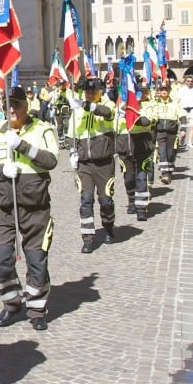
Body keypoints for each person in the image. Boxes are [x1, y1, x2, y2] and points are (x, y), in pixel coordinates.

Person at [0, 85, 58, 331]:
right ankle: (11, 303)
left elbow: (51, 160)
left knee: (36, 261)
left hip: (34, 207)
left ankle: (37, 308)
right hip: (2, 208)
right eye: (6, 105)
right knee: (0, 261)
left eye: (17, 104)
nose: (11, 109)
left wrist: (22, 145)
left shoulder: (42, 129)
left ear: (26, 106)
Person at [69, 77, 117, 252]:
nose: (89, 95)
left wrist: (86, 105)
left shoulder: (107, 105)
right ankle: (88, 238)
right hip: (85, 165)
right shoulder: (78, 110)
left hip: (104, 162)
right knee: (86, 200)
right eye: (87, 92)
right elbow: (71, 134)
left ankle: (109, 227)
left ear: (99, 93)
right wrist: (72, 151)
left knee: (105, 200)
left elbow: (107, 113)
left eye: (93, 93)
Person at [114, 83, 156, 223]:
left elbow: (149, 121)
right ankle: (131, 201)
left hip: (142, 146)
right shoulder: (119, 107)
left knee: (141, 177)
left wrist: (132, 114)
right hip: (124, 146)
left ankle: (141, 208)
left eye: (138, 94)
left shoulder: (148, 106)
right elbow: (113, 126)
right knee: (129, 177)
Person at [147, 83, 183, 183]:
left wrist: (183, 128)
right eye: (162, 90)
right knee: (162, 152)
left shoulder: (174, 103)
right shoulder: (156, 103)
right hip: (160, 132)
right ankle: (165, 174)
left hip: (172, 132)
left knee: (170, 153)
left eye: (166, 90)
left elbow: (181, 114)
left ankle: (169, 171)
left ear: (169, 91)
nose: (164, 91)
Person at [176, 75, 193, 149]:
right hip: (183, 109)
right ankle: (182, 138)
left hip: (192, 109)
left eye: (191, 81)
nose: (190, 82)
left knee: (192, 127)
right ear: (185, 82)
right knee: (183, 128)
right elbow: (178, 100)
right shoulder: (181, 89)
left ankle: (190, 142)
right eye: (188, 81)